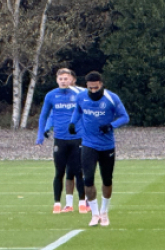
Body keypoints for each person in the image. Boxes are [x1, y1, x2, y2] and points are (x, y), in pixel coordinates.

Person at [68, 72, 128, 227]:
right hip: (88, 144)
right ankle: (94, 214)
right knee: (88, 179)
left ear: (101, 84)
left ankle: (104, 211)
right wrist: (73, 123)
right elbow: (78, 110)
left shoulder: (111, 98)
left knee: (107, 179)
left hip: (107, 145)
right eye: (90, 88)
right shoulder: (81, 97)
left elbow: (124, 117)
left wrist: (111, 125)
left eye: (96, 88)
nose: (93, 91)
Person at [37, 68, 88, 214]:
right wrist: (41, 133)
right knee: (59, 172)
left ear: (72, 80)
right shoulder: (51, 95)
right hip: (60, 139)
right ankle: (57, 204)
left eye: (66, 78)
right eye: (61, 79)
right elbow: (45, 115)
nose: (63, 81)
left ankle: (83, 203)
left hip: (77, 138)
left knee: (79, 172)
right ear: (57, 80)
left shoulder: (80, 94)